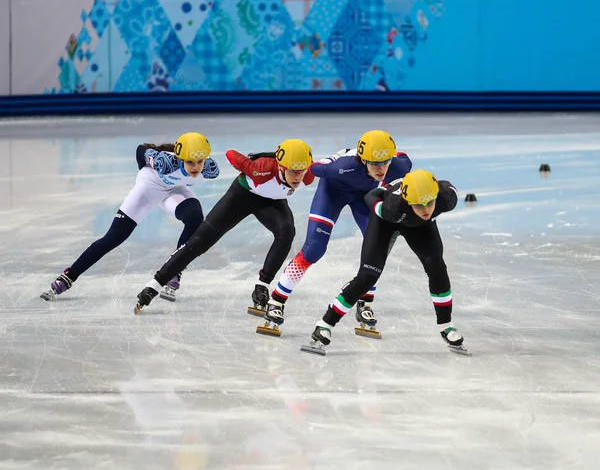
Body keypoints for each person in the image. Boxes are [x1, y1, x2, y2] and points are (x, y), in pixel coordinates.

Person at [133, 139, 315, 319]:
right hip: (241, 197)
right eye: (293, 172)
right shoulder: (261, 169)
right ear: (281, 167)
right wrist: (248, 166)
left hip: (272, 203)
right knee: (199, 242)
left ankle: (263, 285)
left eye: (302, 172)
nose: (298, 177)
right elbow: (230, 154)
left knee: (287, 231)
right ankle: (154, 285)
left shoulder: (309, 174)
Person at [260, 130, 413, 337]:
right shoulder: (343, 167)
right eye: (375, 163)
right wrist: (335, 156)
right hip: (333, 192)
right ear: (362, 159)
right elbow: (315, 167)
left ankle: (365, 302)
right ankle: (276, 300)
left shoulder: (398, 166)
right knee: (314, 249)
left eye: (385, 162)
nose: (382, 169)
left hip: (364, 196)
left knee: (377, 248)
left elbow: (402, 158)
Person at [301, 169, 470, 356]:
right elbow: (371, 196)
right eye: (418, 205)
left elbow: (441, 188)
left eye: (430, 203)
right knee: (367, 277)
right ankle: (325, 324)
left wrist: (424, 205)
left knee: (437, 267)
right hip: (386, 223)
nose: (425, 209)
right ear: (408, 201)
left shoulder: (447, 197)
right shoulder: (392, 207)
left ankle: (446, 325)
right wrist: (388, 189)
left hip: (421, 227)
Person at [40, 132, 219, 302]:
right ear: (180, 158)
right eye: (189, 162)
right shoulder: (165, 162)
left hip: (174, 191)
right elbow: (140, 150)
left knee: (195, 218)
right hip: (147, 189)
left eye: (199, 161)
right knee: (113, 238)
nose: (196, 167)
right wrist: (151, 155)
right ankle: (68, 276)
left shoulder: (209, 169)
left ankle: (175, 270)